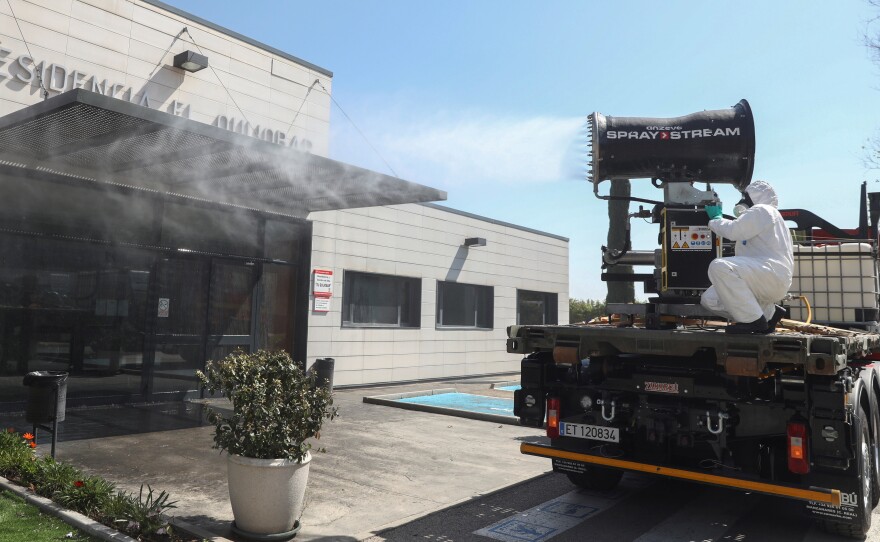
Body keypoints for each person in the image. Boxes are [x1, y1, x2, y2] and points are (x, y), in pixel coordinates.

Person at [701, 180, 793, 334]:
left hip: (771, 275)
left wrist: (716, 219)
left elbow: (733, 231)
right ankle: (769, 314)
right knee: (710, 299)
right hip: (766, 276)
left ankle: (754, 322)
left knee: (719, 267)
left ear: (755, 196)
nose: (742, 200)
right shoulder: (765, 217)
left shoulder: (762, 210)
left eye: (745, 196)